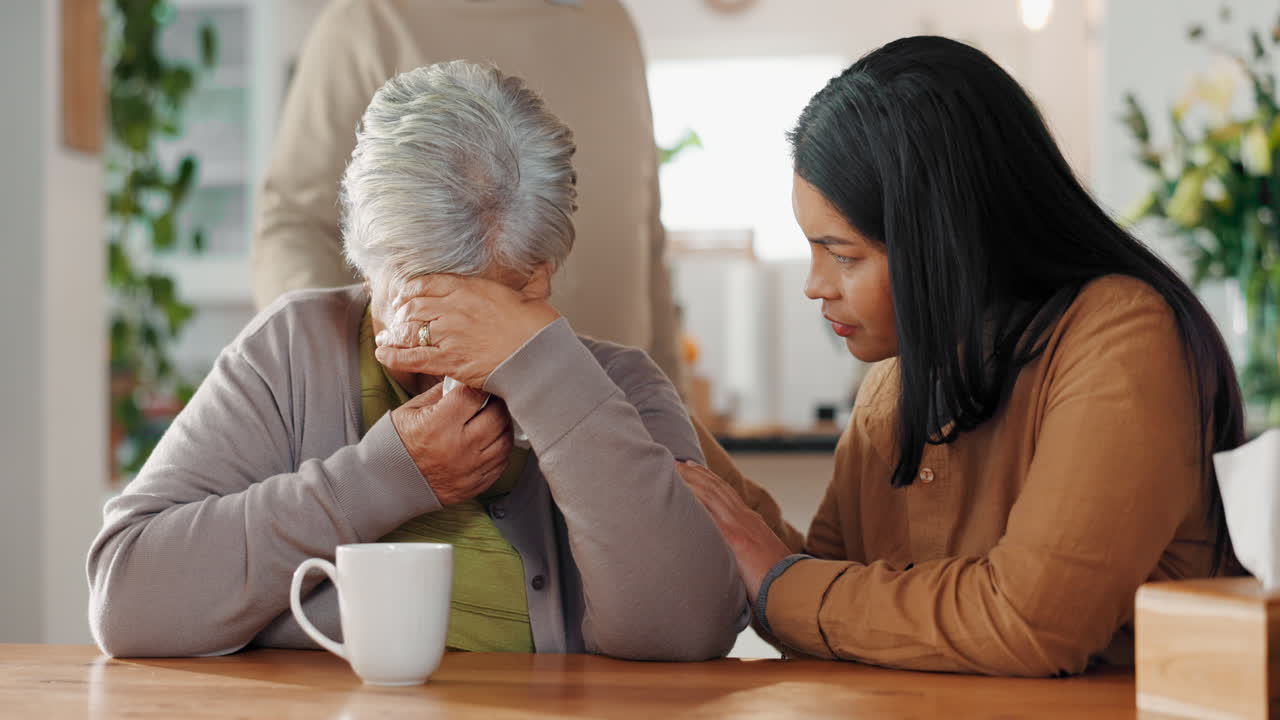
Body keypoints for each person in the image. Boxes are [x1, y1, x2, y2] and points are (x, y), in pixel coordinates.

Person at [88, 62, 747, 661]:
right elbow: (127, 602)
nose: (452, 355)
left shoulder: (614, 386)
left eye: (489, 306)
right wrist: (381, 478)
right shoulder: (293, 352)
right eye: (426, 309)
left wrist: (545, 373)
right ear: (367, 267)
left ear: (540, 280)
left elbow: (688, 631)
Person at [677, 36, 1246, 677]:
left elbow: (1032, 622)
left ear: (941, 238)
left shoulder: (1122, 334)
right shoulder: (892, 385)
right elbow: (833, 601)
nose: (816, 285)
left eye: (843, 255)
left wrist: (781, 584)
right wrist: (659, 427)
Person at [253, 0, 685, 390]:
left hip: (620, 422)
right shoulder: (367, 22)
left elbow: (647, 239)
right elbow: (295, 226)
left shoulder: (611, 23)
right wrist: (354, 388)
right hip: (446, 442)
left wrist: (678, 416)